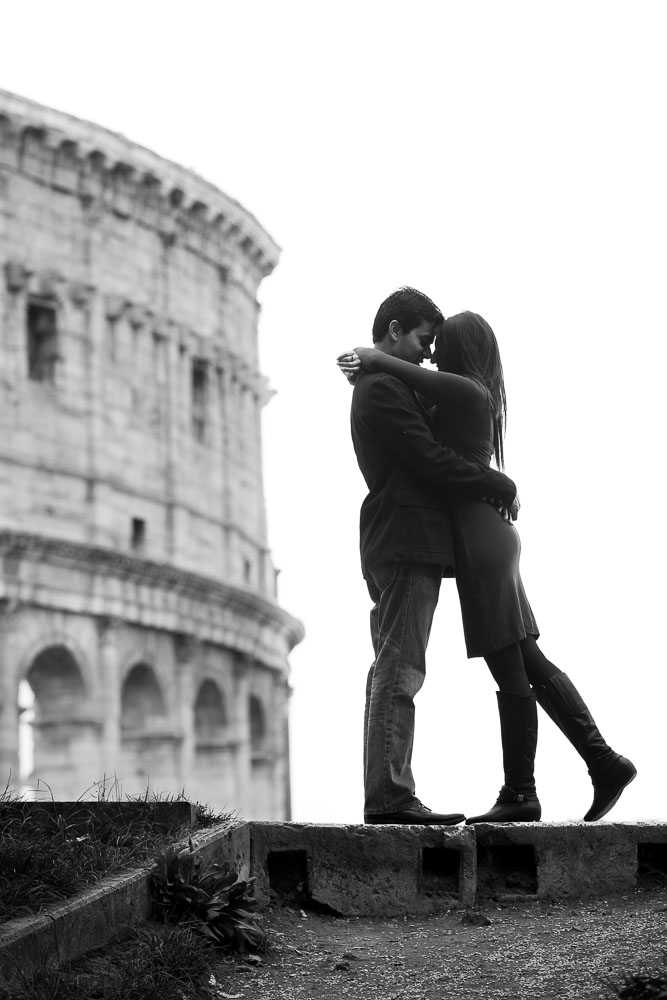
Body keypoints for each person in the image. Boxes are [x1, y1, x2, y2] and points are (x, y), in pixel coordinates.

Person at [339, 310, 636, 823]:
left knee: (511, 665)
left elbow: (425, 427)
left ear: (460, 348)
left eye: (439, 344)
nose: (432, 353)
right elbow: (420, 429)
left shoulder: (466, 392)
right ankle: (602, 761)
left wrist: (370, 359)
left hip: (480, 539)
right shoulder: (455, 394)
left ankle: (523, 792)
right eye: (427, 343)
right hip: (480, 537)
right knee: (527, 659)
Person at [342, 288, 518, 826]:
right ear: (395, 330)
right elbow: (429, 457)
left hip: (403, 536)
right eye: (422, 340)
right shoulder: (382, 389)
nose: (427, 352)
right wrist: (493, 479)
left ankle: (389, 793)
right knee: (400, 667)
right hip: (404, 536)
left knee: (395, 665)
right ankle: (391, 797)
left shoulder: (385, 384)